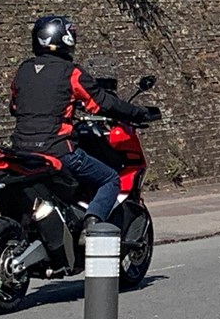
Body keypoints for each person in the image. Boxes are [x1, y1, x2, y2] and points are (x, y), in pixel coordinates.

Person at [9, 15, 157, 229]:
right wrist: (138, 112)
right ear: (66, 39)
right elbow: (103, 102)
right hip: (57, 150)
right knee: (110, 179)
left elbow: (14, 107)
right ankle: (92, 227)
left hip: (20, 152)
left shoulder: (23, 70)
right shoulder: (71, 73)